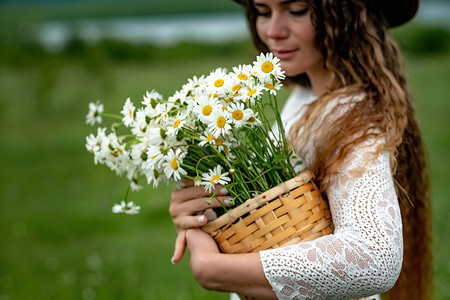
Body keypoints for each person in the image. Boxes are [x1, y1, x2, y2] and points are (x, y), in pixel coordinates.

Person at [169, 0, 433, 299]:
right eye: (263, 12)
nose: (273, 31)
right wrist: (199, 216)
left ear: (346, 18)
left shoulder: (353, 118)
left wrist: (213, 269)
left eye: (296, 10)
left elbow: (375, 256)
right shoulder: (305, 97)